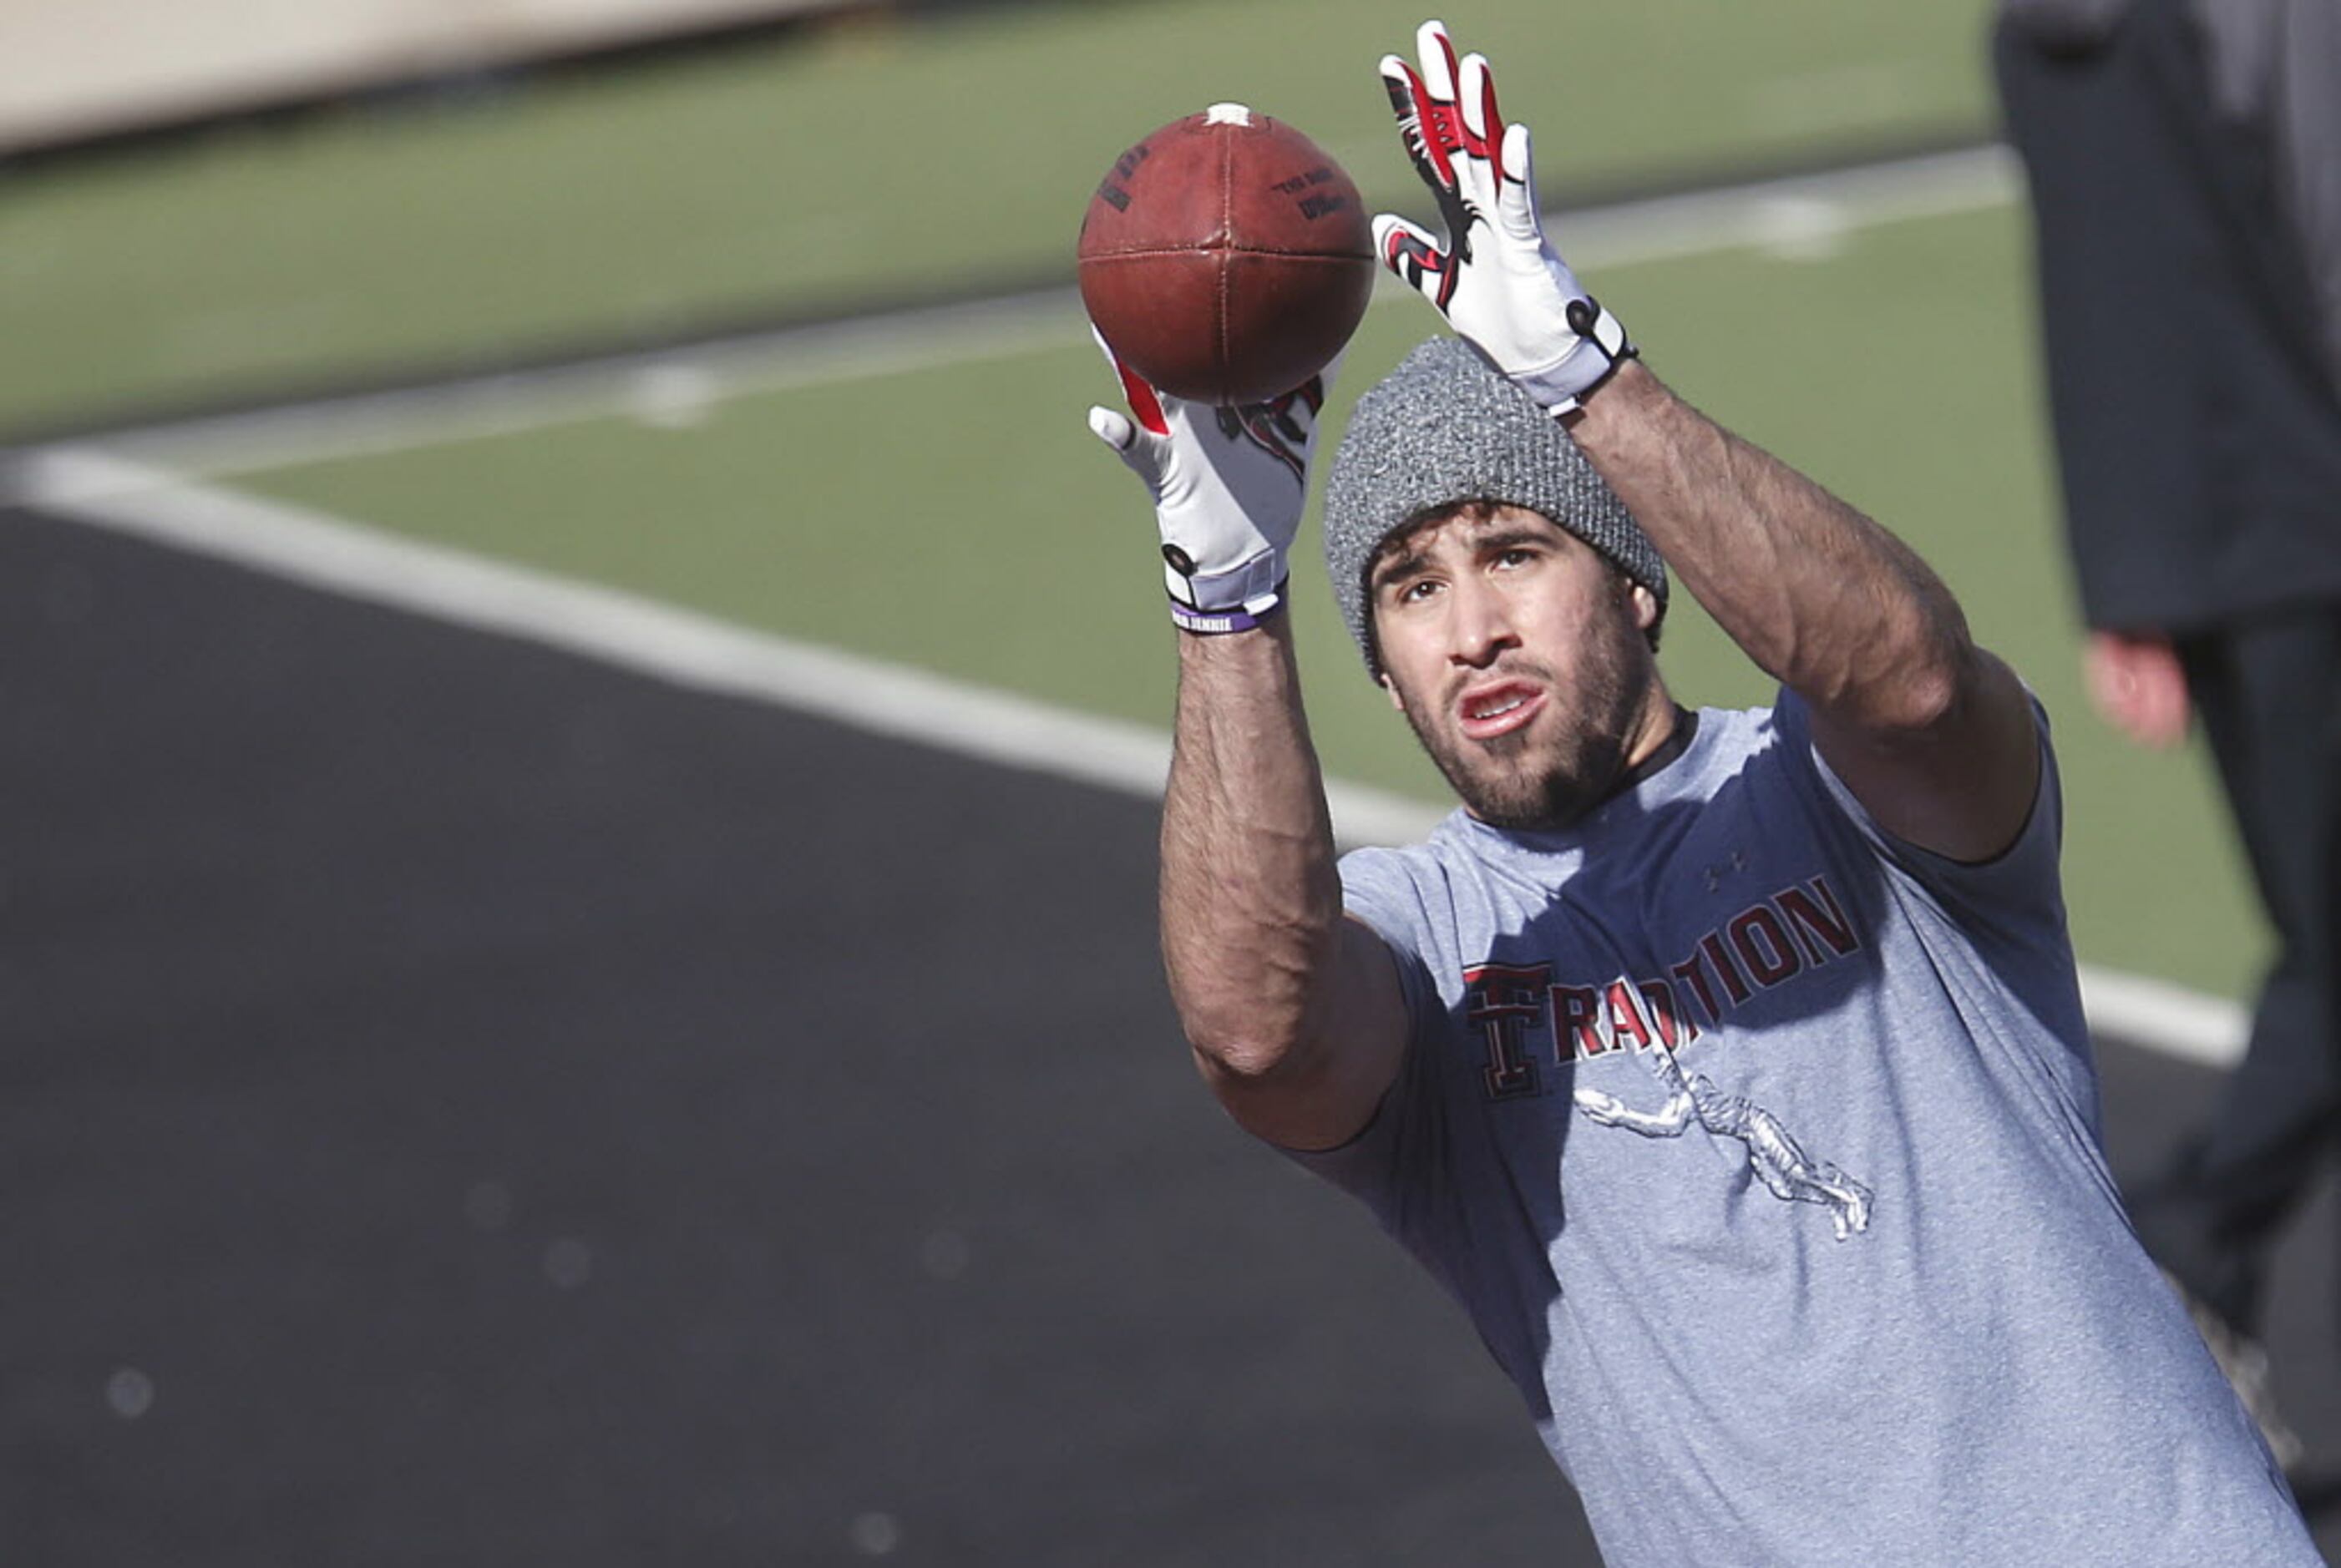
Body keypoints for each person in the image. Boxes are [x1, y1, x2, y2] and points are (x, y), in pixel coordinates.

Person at [1084, 20, 2320, 1564]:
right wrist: (1227, 602)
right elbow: (1259, 1031)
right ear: (1384, 671)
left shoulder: (1842, 801)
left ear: (1638, 584)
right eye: (1410, 585)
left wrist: (1584, 382)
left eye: (1517, 550)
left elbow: (1921, 686)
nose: (1472, 626)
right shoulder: (1419, 940)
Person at [1994, 0, 2341, 1468]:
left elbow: (2090, 286)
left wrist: (2121, 576)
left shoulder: (2035, 27)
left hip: (2193, 542)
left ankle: (2189, 1266)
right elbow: (2327, 218)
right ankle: (2184, 1245)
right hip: (2314, 512)